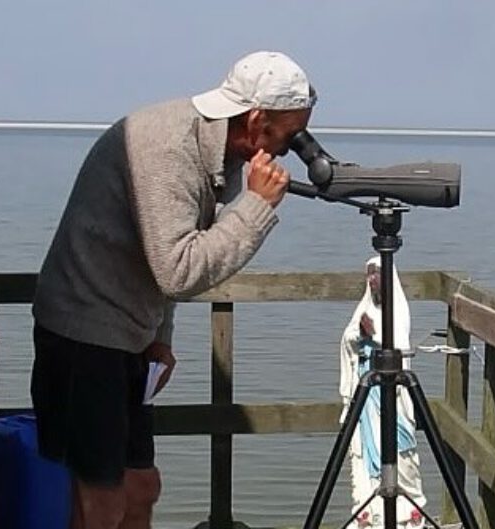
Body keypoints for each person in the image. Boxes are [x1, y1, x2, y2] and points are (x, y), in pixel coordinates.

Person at [29, 50, 317, 529]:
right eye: (286, 138)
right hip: (84, 334)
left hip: (129, 334)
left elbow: (163, 251)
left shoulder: (216, 147)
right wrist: (256, 207)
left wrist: (159, 333)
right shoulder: (167, 148)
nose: (285, 151)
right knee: (99, 503)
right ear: (255, 119)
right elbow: (178, 269)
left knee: (141, 489)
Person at [339, 257, 427, 529]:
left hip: (392, 398)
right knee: (363, 460)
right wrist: (358, 333)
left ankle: (406, 516)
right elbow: (347, 342)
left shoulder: (397, 311)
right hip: (366, 397)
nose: (372, 279)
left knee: (401, 454)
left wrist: (374, 335)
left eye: (377, 274)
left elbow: (398, 344)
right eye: (369, 274)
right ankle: (368, 517)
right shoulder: (363, 309)